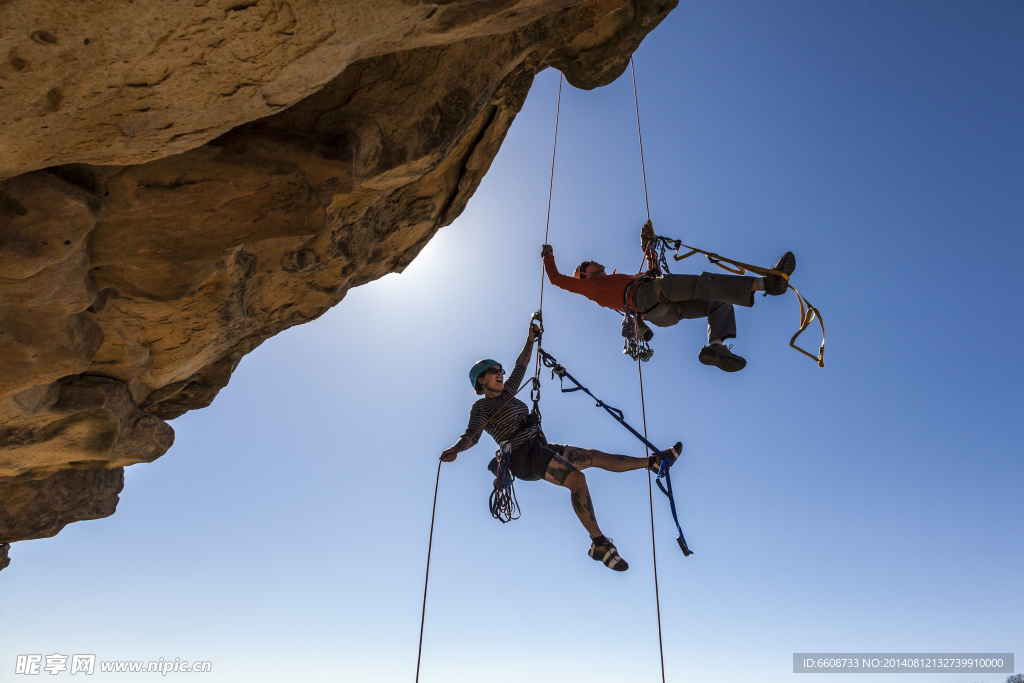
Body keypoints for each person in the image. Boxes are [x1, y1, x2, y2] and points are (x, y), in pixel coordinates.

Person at [441, 318, 681, 572]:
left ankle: (653, 463)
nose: (501, 374)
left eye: (501, 370)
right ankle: (599, 543)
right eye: (494, 371)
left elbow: (521, 365)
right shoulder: (481, 407)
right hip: (523, 456)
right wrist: (455, 449)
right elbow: (472, 434)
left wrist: (531, 338)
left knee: (593, 456)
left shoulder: (509, 392)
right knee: (577, 480)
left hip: (540, 445)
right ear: (481, 380)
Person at [540, 242, 796, 372]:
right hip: (648, 295)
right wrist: (548, 256)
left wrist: (647, 247)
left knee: (719, 302)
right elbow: (556, 279)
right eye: (588, 263)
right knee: (704, 284)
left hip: (661, 313)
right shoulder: (591, 288)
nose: (593, 260)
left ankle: (716, 347)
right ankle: (766, 284)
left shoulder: (613, 281)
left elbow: (653, 271)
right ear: (585, 276)